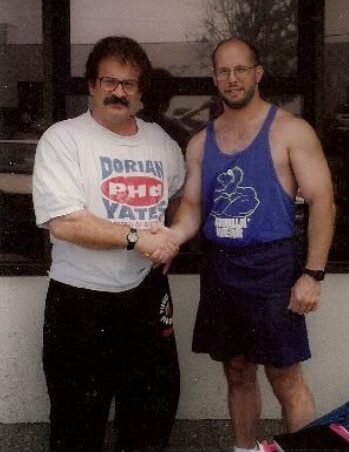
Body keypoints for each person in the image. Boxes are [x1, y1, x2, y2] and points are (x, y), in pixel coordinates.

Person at [154, 37, 336, 452]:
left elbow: (323, 202)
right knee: (236, 370)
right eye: (223, 71)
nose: (232, 79)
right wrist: (171, 237)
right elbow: (192, 210)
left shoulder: (291, 130)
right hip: (221, 266)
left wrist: (312, 274)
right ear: (215, 77)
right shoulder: (201, 143)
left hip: (273, 266)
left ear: (258, 73)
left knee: (284, 376)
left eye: (240, 70)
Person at [32, 36, 185, 452]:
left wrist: (173, 237)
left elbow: (182, 200)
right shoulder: (63, 140)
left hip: (147, 296)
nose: (119, 91)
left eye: (129, 84)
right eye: (109, 81)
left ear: (140, 91)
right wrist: (137, 238)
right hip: (81, 300)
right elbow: (64, 223)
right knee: (77, 422)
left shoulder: (162, 144)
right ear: (91, 85)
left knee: (151, 415)